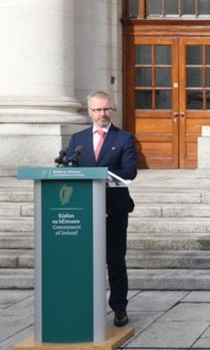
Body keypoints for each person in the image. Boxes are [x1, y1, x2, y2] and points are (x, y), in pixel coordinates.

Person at [67, 91, 137, 327]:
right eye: (97, 109)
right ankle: (83, 307)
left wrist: (104, 176)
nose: (102, 114)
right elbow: (69, 170)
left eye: (106, 109)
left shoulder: (124, 138)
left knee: (115, 260)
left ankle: (119, 308)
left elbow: (130, 172)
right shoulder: (78, 139)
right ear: (89, 112)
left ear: (112, 110)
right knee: (84, 261)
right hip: (85, 210)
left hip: (114, 210)